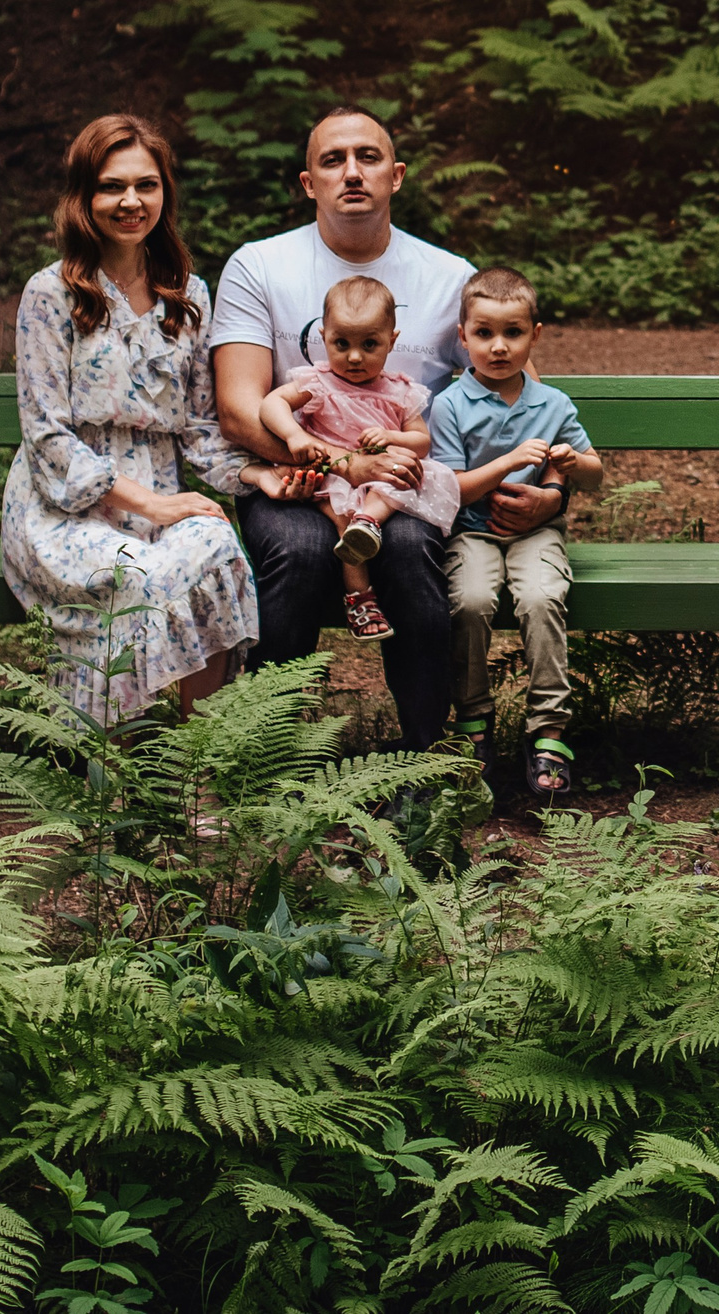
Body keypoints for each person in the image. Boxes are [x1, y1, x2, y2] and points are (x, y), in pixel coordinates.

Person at [214, 108, 560, 748]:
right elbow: (239, 410)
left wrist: (548, 492)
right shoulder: (257, 267)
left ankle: (426, 760)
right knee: (298, 549)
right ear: (307, 181)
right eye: (332, 160)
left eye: (368, 157)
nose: (352, 172)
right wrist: (344, 466)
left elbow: (521, 399)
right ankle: (265, 755)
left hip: (403, 483)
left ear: (396, 176)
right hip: (298, 478)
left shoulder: (449, 276)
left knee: (407, 550)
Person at [3, 115, 258, 724]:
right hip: (62, 510)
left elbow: (200, 427)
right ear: (83, 198)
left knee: (218, 545)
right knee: (134, 574)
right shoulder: (51, 294)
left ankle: (201, 777)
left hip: (159, 500)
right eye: (111, 186)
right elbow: (46, 438)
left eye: (146, 184)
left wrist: (260, 477)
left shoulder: (189, 294)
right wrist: (152, 506)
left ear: (164, 192)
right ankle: (108, 780)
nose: (130, 201)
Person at [428, 266, 603, 805]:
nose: (498, 347)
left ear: (536, 335)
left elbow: (596, 472)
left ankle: (549, 729)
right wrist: (508, 462)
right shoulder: (449, 406)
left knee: (542, 596)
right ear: (463, 338)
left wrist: (574, 464)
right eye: (483, 333)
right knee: (471, 599)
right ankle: (474, 718)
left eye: (513, 333)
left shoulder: (552, 405)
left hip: (537, 535)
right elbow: (450, 488)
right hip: (473, 534)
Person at [257, 276, 457, 641]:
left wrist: (393, 437)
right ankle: (359, 597)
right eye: (341, 343)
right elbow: (272, 403)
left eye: (369, 344)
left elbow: (421, 442)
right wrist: (295, 434)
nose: (353, 356)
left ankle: (370, 520)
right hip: (335, 478)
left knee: (413, 476)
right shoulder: (318, 383)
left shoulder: (400, 391)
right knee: (342, 518)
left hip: (383, 484)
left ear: (392, 341)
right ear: (323, 336)